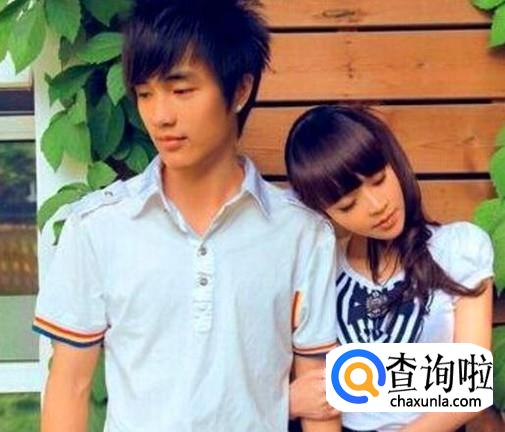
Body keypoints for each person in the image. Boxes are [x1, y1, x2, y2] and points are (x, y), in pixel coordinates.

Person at [33, 2, 341, 431]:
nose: (160, 116)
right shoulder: (96, 227)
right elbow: (69, 386)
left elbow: (319, 398)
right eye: (145, 94)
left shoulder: (302, 234)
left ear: (240, 90)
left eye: (181, 91)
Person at [285, 105, 494, 432]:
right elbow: (313, 395)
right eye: (347, 205)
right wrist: (289, 401)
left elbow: (470, 387)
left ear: (393, 161)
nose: (377, 206)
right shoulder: (320, 270)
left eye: (379, 180)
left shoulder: (458, 249)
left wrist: (347, 380)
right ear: (324, 212)